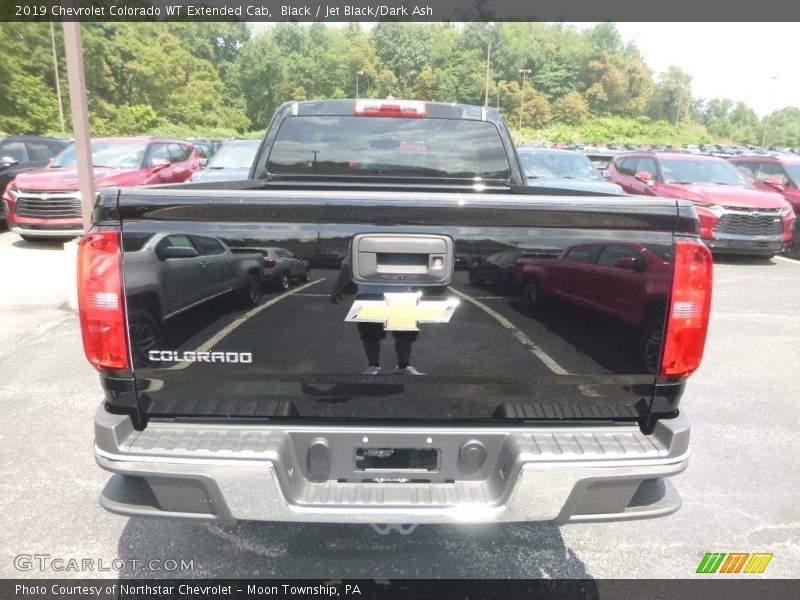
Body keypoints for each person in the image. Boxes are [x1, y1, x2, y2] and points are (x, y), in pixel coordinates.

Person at [329, 254, 424, 376]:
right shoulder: (364, 241)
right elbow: (348, 267)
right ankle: (373, 366)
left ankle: (403, 366)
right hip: (369, 293)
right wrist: (337, 289)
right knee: (370, 334)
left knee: (405, 334)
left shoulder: (407, 245)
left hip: (403, 293)